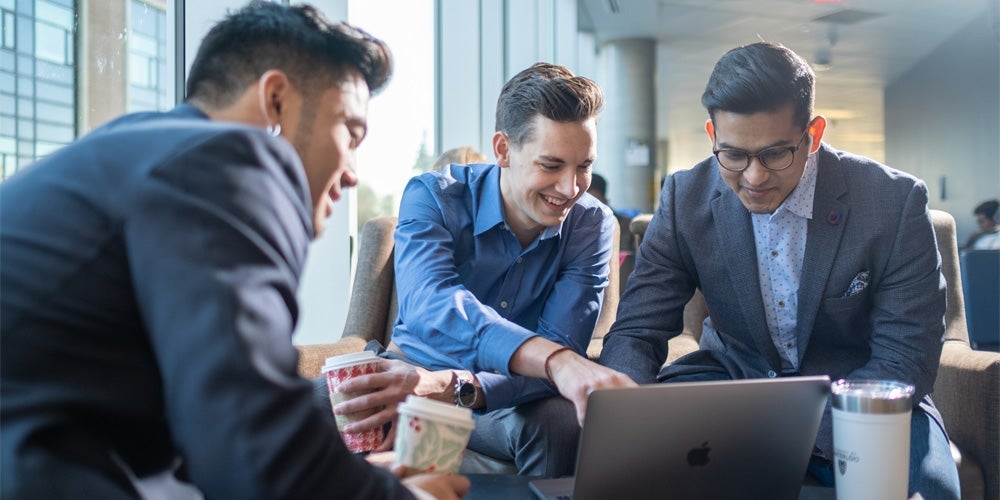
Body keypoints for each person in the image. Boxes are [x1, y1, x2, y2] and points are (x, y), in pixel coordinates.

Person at [0, 3, 468, 499]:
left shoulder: (144, 149)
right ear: (275, 102)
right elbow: (255, 452)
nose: (352, 171)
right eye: (350, 134)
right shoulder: (227, 164)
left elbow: (212, 432)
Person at [599, 42, 960, 498]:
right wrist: (628, 415)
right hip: (730, 384)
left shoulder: (893, 202)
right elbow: (636, 330)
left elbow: (905, 354)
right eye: (732, 155)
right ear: (712, 133)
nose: (753, 177)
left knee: (929, 491)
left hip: (862, 398)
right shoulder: (683, 198)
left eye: (774, 154)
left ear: (813, 134)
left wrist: (795, 426)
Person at [330, 62, 636, 477]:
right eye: (551, 165)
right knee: (290, 404)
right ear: (503, 149)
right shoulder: (434, 196)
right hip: (406, 379)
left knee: (558, 424)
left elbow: (562, 342)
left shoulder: (593, 224)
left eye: (583, 166)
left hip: (500, 400)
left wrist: (452, 387)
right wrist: (553, 360)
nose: (570, 189)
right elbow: (430, 302)